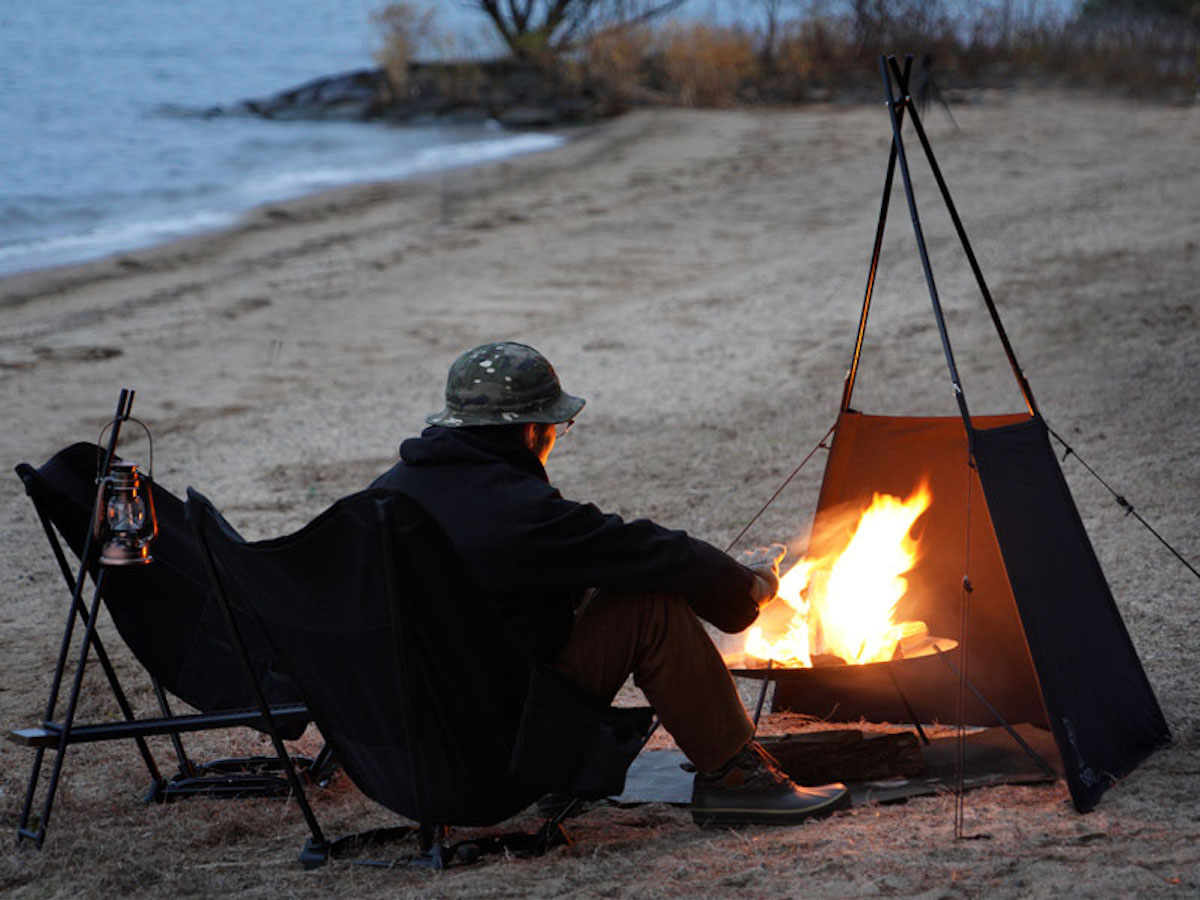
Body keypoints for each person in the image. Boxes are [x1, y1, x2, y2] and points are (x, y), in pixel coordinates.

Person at [371, 340, 849, 826]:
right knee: (647, 602)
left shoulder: (382, 498)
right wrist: (748, 589)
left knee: (579, 594)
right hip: (495, 764)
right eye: (557, 426)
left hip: (402, 763)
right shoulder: (518, 512)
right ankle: (736, 781)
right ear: (532, 431)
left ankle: (572, 775)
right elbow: (650, 553)